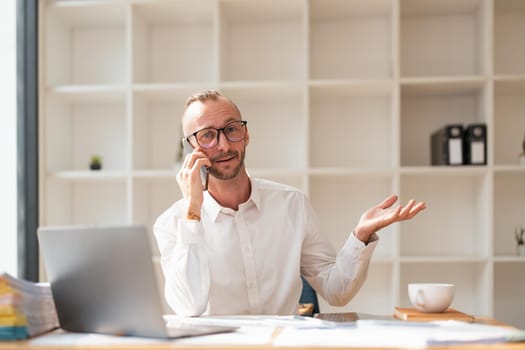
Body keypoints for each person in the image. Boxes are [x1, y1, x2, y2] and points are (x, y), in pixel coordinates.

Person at [153, 90, 426, 317]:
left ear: (246, 135)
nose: (223, 144)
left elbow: (337, 291)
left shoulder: (291, 204)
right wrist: (192, 211)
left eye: (231, 129)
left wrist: (361, 235)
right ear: (191, 148)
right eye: (207, 135)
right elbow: (189, 307)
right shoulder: (172, 223)